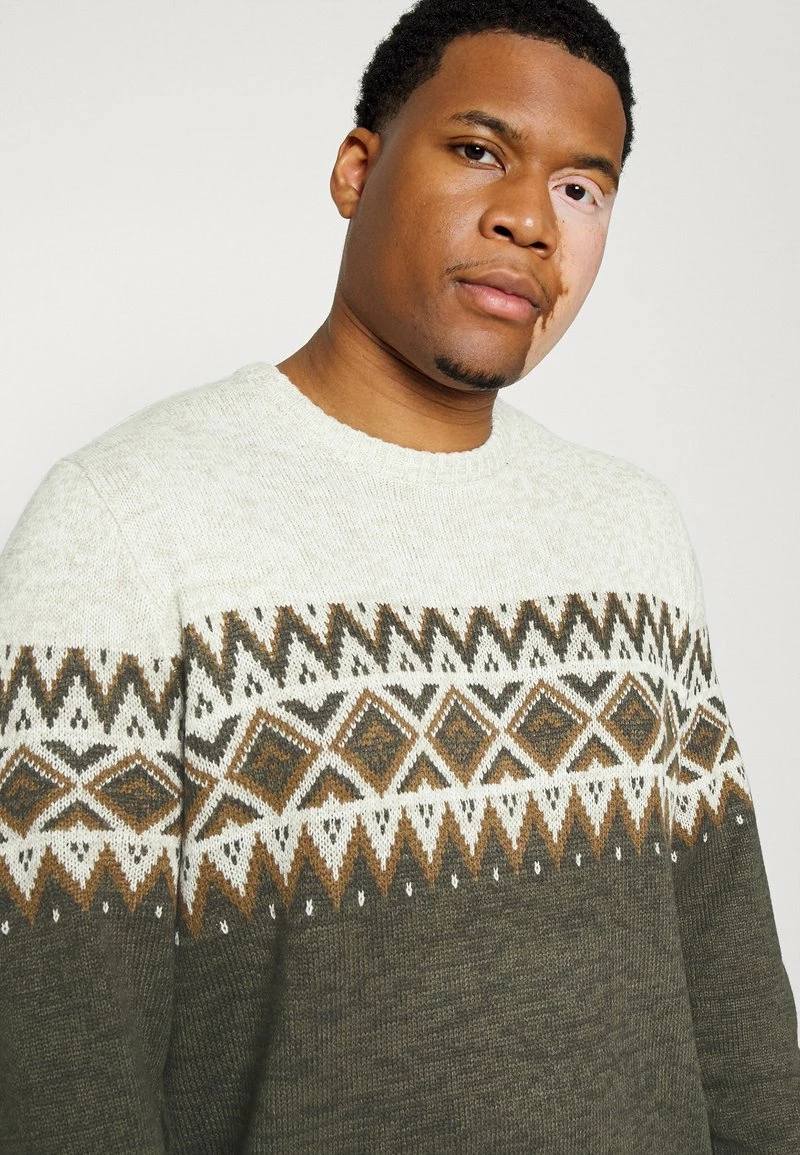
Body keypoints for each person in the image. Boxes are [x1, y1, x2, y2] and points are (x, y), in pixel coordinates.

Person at [0, 0, 798, 1150]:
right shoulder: (122, 525)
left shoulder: (632, 532)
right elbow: (59, 1080)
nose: (530, 219)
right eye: (477, 150)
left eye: (581, 188)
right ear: (355, 170)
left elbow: (735, 1010)